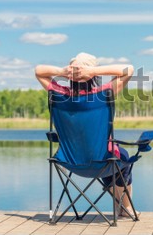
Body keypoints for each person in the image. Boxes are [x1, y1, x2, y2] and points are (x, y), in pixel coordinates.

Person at [35, 52, 136, 217]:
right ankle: (126, 208)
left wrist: (62, 71)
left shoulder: (60, 94)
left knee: (112, 158)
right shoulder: (104, 93)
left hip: (70, 162)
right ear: (92, 76)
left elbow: (39, 71)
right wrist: (94, 71)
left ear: (70, 75)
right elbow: (129, 70)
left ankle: (123, 208)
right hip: (103, 161)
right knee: (121, 158)